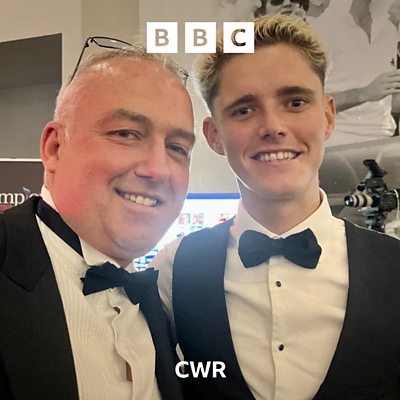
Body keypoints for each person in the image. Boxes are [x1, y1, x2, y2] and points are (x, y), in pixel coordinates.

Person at [151, 14, 400, 400]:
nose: (273, 126)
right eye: (244, 110)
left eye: (295, 102)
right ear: (214, 136)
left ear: (328, 117)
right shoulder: (170, 272)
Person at [0, 44, 195, 400]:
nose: (158, 170)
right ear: (55, 148)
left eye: (178, 148)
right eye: (126, 134)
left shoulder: (166, 303)